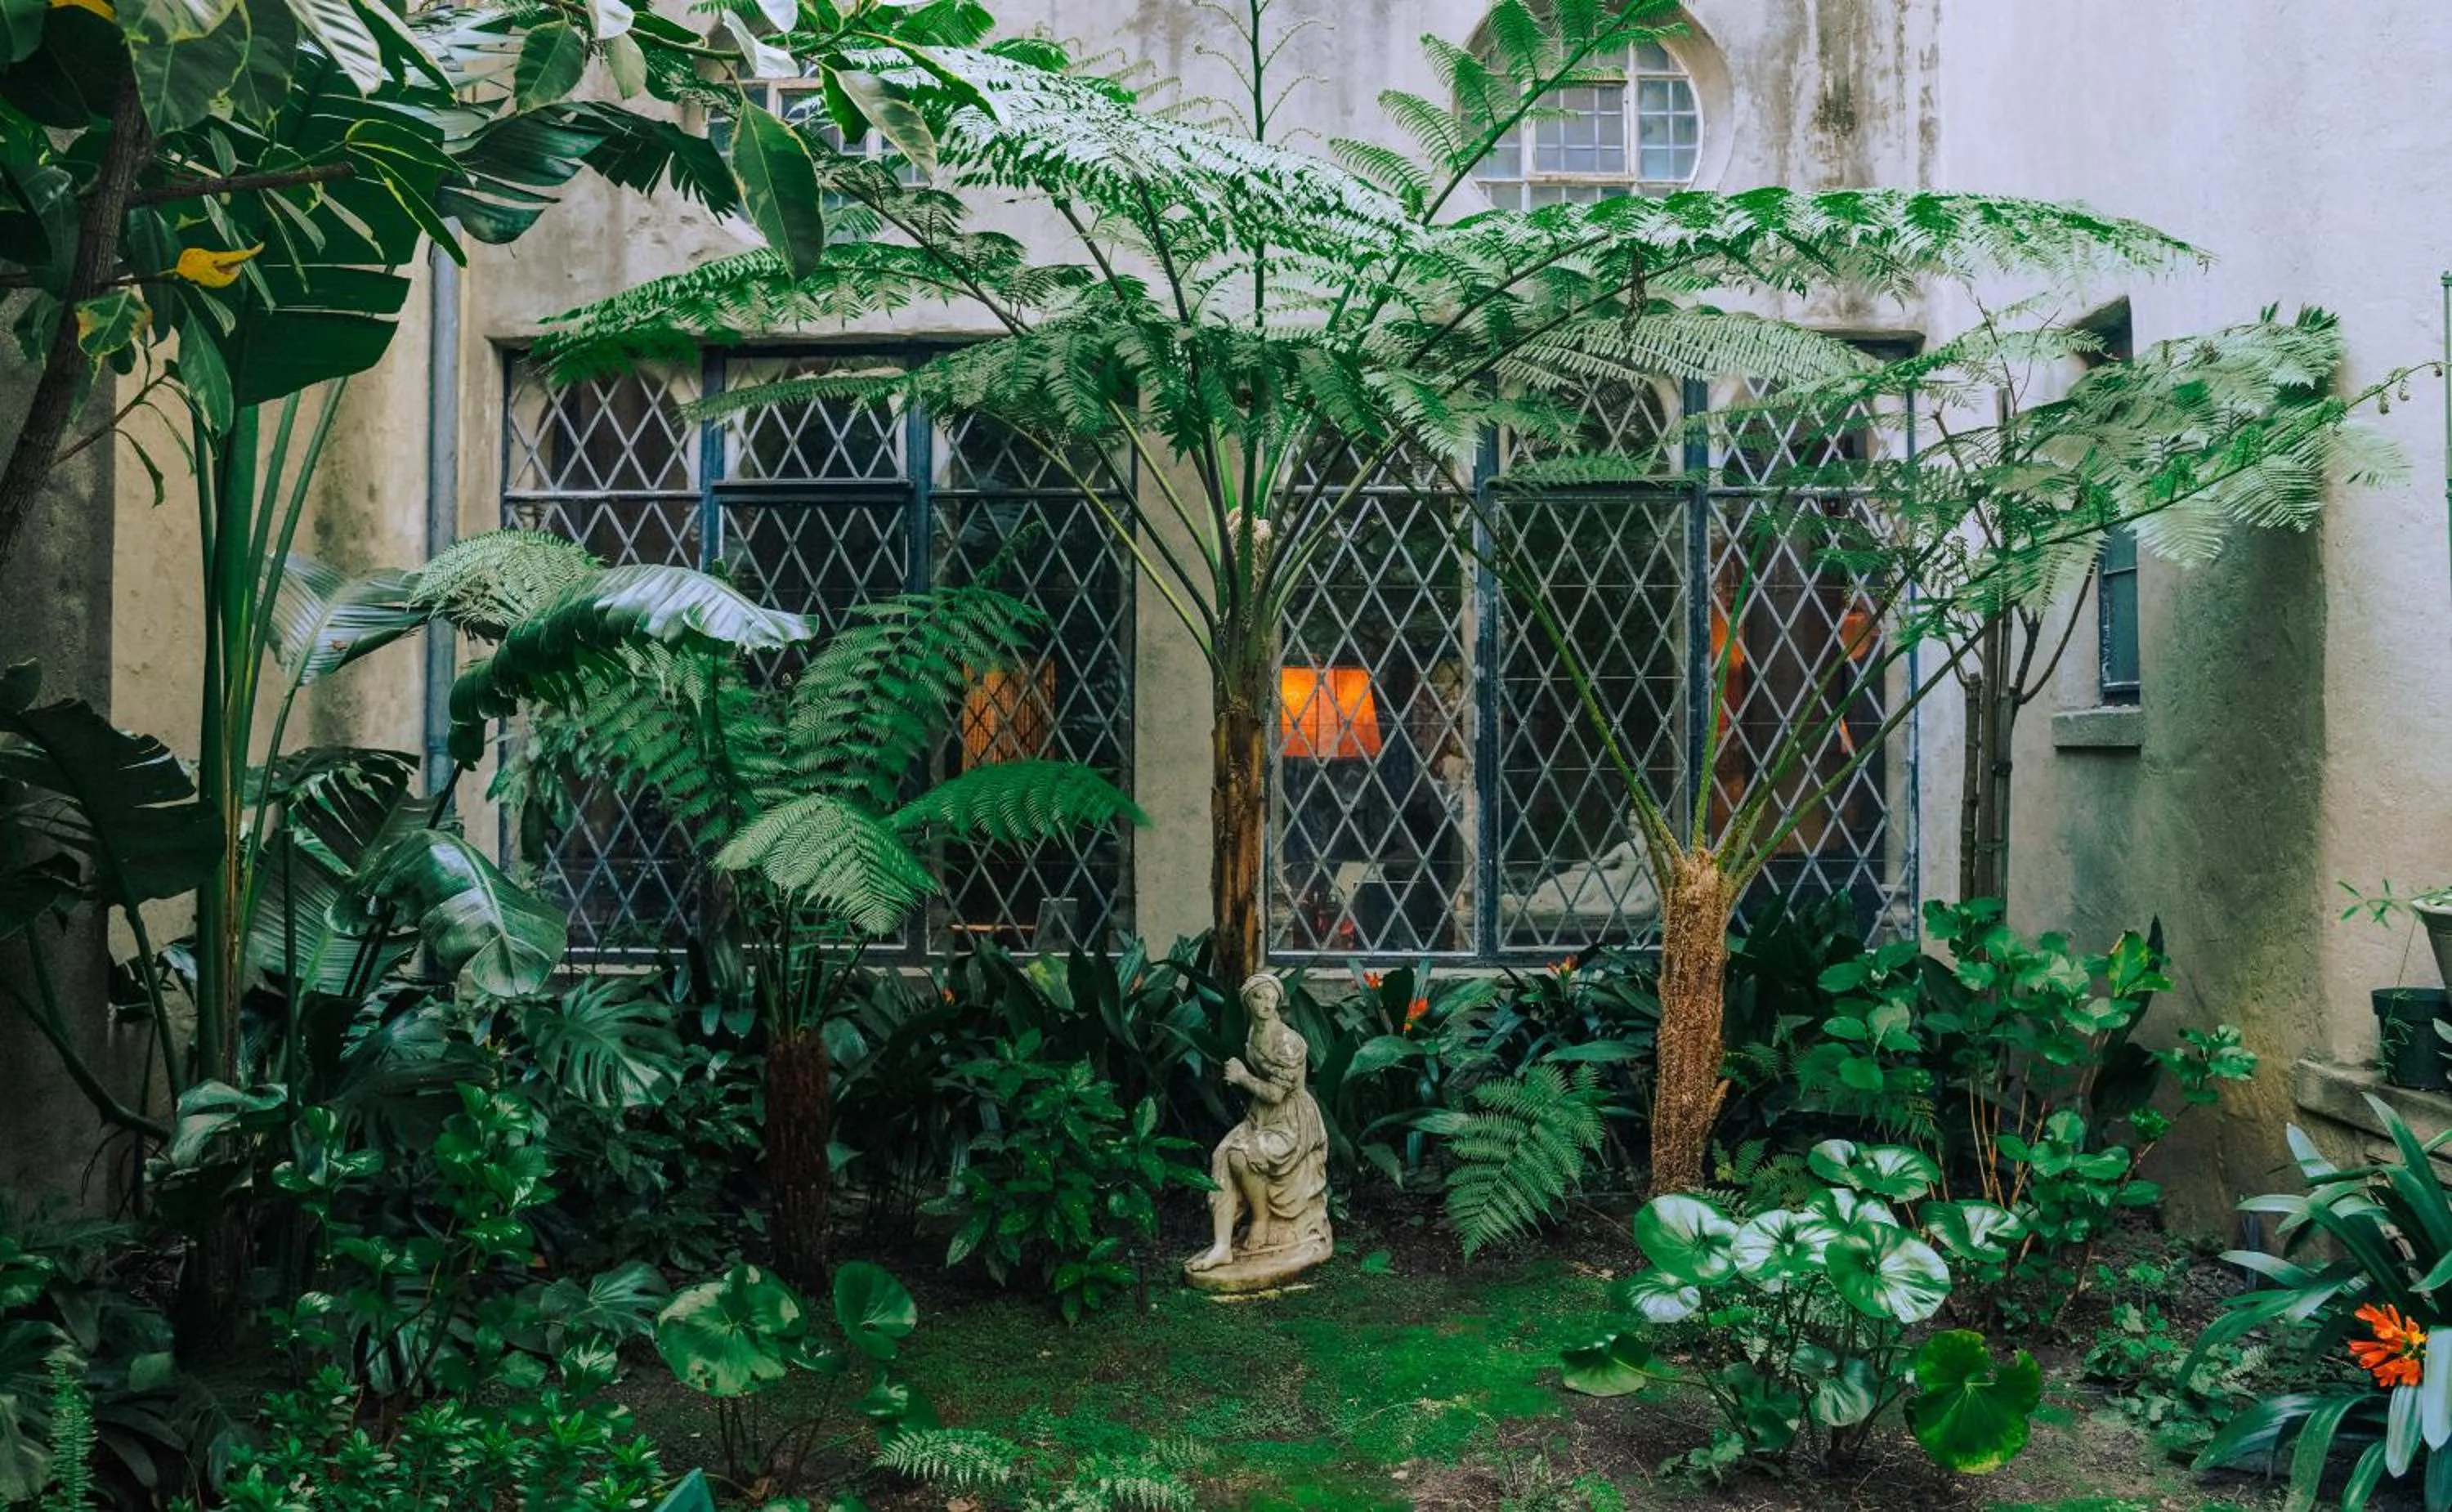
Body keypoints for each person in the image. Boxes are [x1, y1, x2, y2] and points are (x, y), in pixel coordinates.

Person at [1186, 973, 1332, 1278]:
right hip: (1261, 1115)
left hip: (1291, 1121)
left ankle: (1262, 1220)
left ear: (1279, 1000)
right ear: (1248, 1001)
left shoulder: (1288, 1042)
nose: (1265, 1004)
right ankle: (1222, 1246)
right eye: (1258, 997)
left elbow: (1278, 1094)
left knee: (1242, 1155)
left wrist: (1242, 1078)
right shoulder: (1255, 1032)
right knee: (1223, 1155)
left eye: (1271, 997)